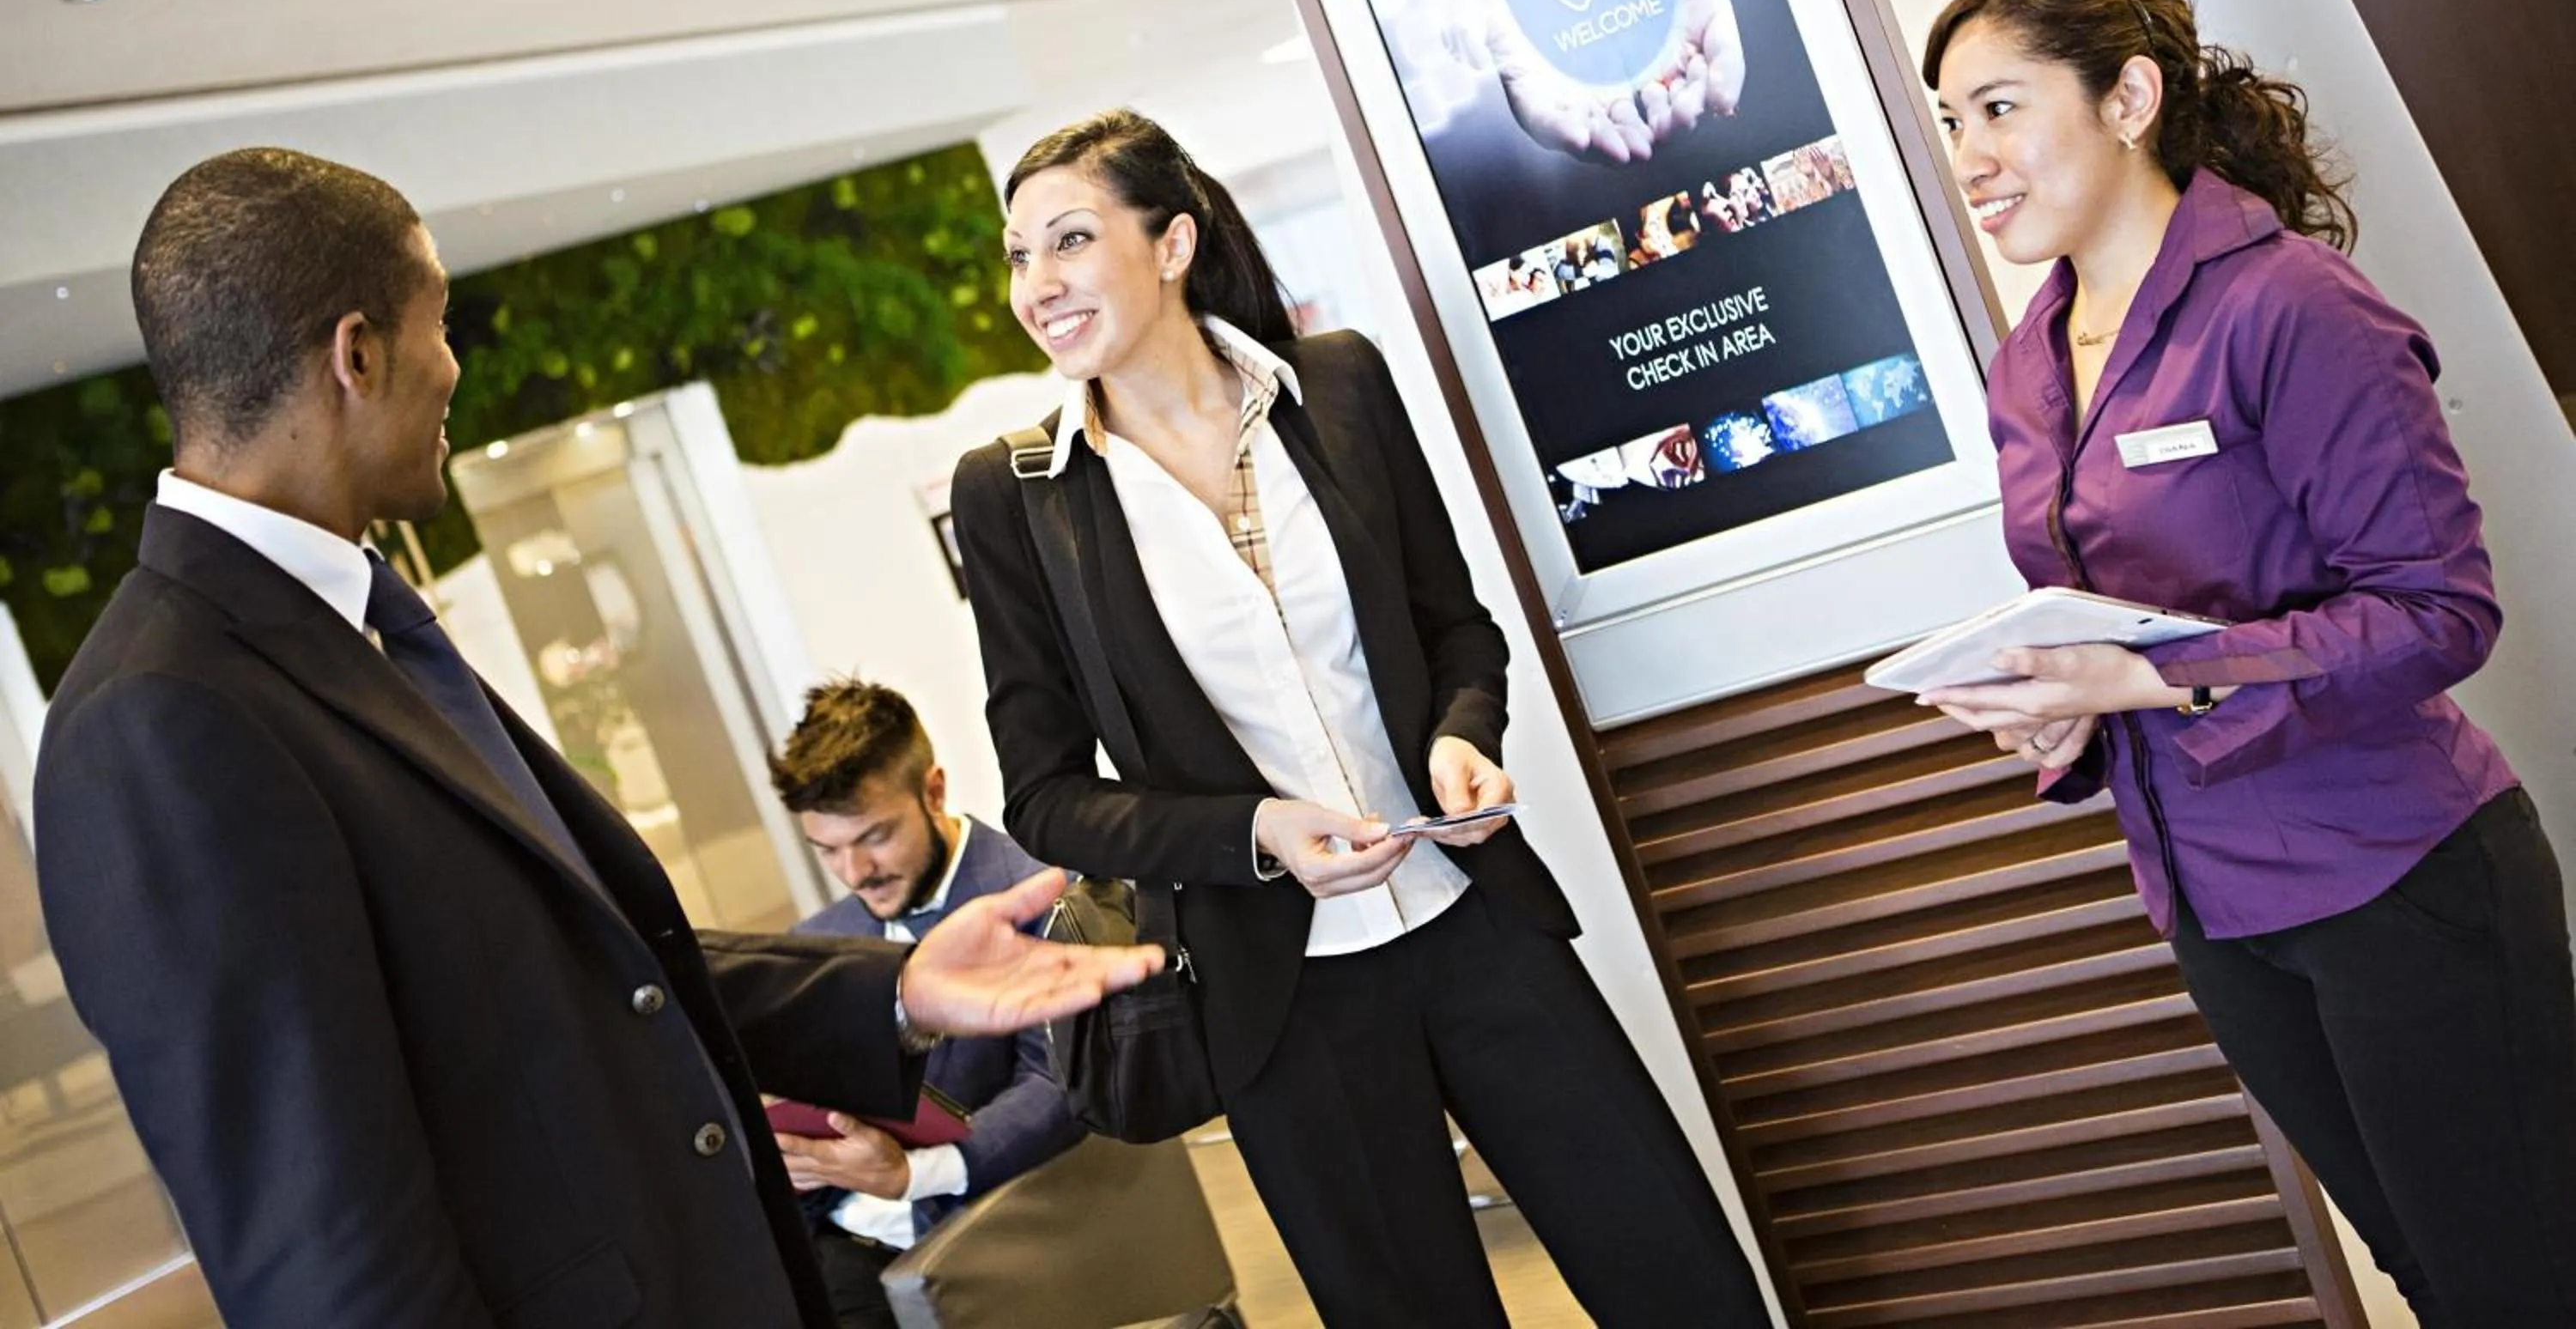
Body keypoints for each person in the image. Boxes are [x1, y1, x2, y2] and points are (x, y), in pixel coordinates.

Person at [33, 149, 1159, 1329]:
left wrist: (893, 995)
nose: (456, 369)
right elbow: (328, 1255)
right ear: (355, 355)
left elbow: (585, 974)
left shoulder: (352, 631)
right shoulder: (156, 722)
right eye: (442, 328)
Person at [946, 110, 1767, 1329]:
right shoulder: (1019, 497)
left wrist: (1462, 738)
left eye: (1069, 240)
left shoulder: (1335, 388)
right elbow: (1050, 795)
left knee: (1677, 1273)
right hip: (1279, 997)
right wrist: (1254, 829)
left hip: (1476, 921)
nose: (1038, 284)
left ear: (1171, 244)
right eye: (1018, 256)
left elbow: (1457, 628)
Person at [1916, 0, 2576, 1326]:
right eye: (1951, 124)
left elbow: (2438, 609)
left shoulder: (2290, 308)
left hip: (2401, 884)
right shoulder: (2033, 363)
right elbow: (2113, 612)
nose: (1971, 157)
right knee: (2428, 1272)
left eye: (1999, 108)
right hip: (2217, 908)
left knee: (2517, 1281)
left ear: (2130, 98)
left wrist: (2164, 679)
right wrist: (2070, 697)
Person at [764, 679, 1082, 1328]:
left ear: (933, 791)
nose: (855, 873)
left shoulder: (1044, 895)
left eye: (875, 837)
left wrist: (914, 1174)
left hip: (974, 1232)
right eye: (827, 850)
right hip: (825, 1237)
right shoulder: (815, 942)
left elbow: (1060, 1084)